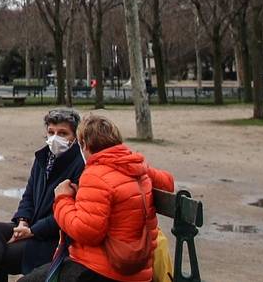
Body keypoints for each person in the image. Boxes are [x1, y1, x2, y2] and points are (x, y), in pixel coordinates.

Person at [46, 113, 175, 282]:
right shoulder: (132, 165)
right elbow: (168, 184)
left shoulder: (95, 174)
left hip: (104, 270)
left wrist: (62, 199)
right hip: (140, 268)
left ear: (84, 144)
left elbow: (85, 233)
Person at [0, 108, 86, 282]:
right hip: (30, 227)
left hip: (52, 239)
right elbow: (28, 196)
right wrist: (23, 220)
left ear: (75, 137)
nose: (55, 138)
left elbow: (67, 214)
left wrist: (32, 231)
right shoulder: (42, 158)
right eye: (51, 132)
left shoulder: (79, 165)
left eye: (63, 133)